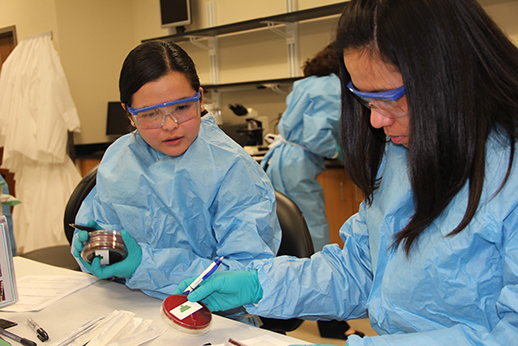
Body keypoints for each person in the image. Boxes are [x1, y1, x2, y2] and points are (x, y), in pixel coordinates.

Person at [173, 0, 518, 345]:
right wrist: (261, 284)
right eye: (366, 99)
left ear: (452, 72)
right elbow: (359, 270)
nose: (376, 120)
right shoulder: (401, 153)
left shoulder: (507, 175)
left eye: (390, 98)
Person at [71, 41, 281, 320]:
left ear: (201, 99)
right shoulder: (119, 158)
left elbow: (242, 278)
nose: (169, 126)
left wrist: (143, 265)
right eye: (149, 114)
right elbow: (99, 228)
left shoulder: (233, 169)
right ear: (129, 114)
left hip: (211, 320)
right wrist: (92, 250)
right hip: (128, 311)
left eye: (182, 107)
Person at [261, 44, 363, 340]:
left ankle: (280, 309)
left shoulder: (306, 83)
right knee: (314, 234)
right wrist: (338, 151)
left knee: (281, 235)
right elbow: (318, 135)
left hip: (280, 160)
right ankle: (330, 322)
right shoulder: (333, 85)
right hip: (300, 166)